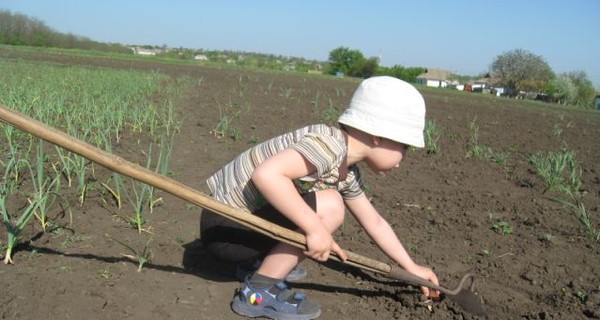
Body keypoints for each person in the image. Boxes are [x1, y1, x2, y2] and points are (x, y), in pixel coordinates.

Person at [200, 76, 440, 320]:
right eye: (405, 147)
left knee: (320, 204)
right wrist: (315, 229)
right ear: (378, 135)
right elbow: (267, 174)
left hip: (240, 229)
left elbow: (374, 222)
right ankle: (259, 291)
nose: (403, 159)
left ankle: (261, 264)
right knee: (330, 206)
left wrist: (411, 268)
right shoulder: (328, 147)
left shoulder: (346, 171)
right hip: (226, 227)